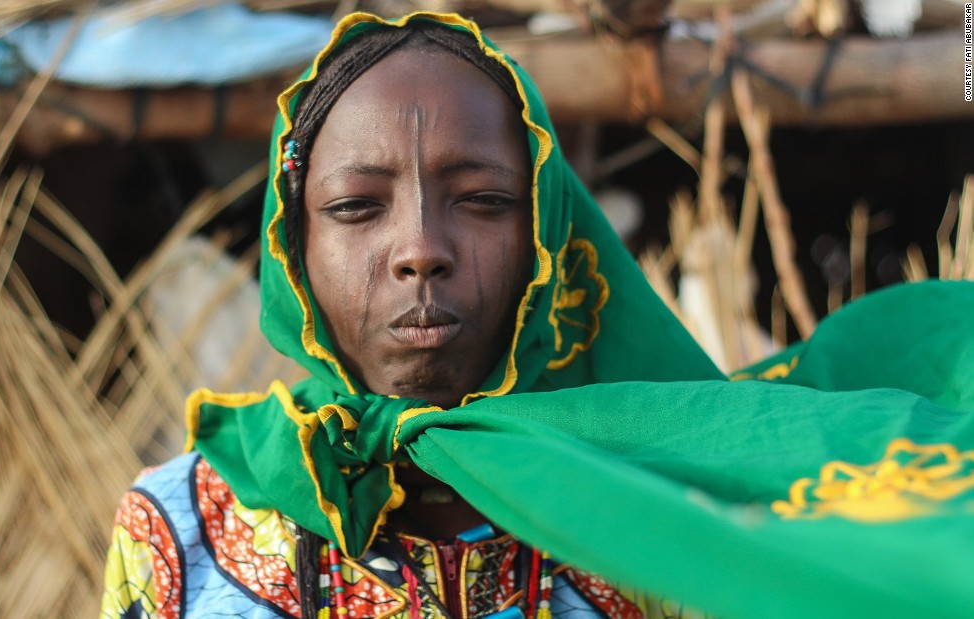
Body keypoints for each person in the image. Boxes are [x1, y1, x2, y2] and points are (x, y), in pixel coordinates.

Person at [100, 12, 974, 619]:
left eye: (481, 199)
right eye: (357, 208)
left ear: (548, 235)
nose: (419, 249)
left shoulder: (671, 499)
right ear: (292, 247)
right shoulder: (181, 525)